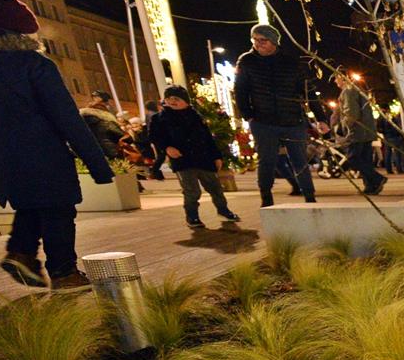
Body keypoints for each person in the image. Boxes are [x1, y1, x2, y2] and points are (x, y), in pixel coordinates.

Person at [0, 0, 115, 290]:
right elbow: (67, 118)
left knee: (32, 204)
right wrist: (98, 165)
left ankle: (21, 253)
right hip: (42, 151)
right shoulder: (33, 63)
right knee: (58, 208)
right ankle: (64, 272)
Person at [234, 22, 316, 206]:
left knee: (300, 160)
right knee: (267, 160)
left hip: (292, 119)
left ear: (274, 41)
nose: (258, 44)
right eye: (255, 40)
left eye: (263, 40)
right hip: (263, 121)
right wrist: (248, 115)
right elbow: (240, 91)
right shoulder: (247, 61)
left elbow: (307, 90)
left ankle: (310, 197)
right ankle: (266, 197)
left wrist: (321, 118)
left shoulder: (290, 62)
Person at [148, 85, 241, 230]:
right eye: (169, 98)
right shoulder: (160, 118)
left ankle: (223, 210)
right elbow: (155, 137)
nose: (172, 101)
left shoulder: (196, 116)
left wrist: (216, 156)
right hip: (182, 159)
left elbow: (208, 138)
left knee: (215, 187)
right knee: (192, 190)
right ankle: (192, 216)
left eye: (176, 98)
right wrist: (167, 148)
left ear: (186, 101)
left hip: (203, 158)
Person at [332, 72, 386, 196]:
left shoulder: (348, 91)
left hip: (357, 131)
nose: (335, 81)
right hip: (366, 131)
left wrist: (344, 126)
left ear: (343, 78)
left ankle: (377, 178)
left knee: (353, 158)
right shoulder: (359, 89)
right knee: (365, 159)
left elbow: (351, 113)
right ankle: (371, 186)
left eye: (336, 78)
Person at [79, 89, 125, 162]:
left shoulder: (87, 115)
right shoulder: (106, 116)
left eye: (97, 97)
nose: (95, 99)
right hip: (110, 148)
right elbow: (117, 131)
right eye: (94, 97)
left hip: (93, 149)